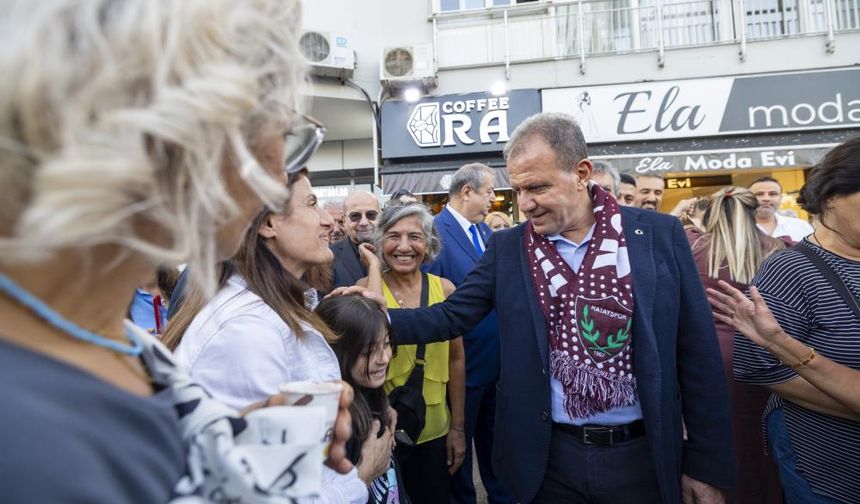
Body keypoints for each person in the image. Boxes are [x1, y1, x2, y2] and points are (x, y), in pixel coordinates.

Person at [0, 0, 354, 502]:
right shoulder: (30, 446)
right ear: (188, 131)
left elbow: (145, 447)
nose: (281, 173)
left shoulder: (98, 328)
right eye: (285, 129)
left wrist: (244, 439)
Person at [380, 113, 734, 504]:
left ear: (582, 173)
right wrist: (376, 319)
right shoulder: (509, 248)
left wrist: (705, 464)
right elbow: (449, 317)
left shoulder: (656, 235)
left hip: (643, 455)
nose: (525, 204)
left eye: (537, 187)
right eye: (517, 190)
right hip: (548, 461)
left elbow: (698, 354)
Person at [169, 170, 393, 502]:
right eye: (312, 204)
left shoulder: (276, 312)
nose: (327, 222)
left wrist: (335, 319)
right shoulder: (249, 334)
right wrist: (361, 476)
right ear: (268, 224)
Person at [723, 138, 860, 504]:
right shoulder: (789, 267)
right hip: (828, 460)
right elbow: (761, 366)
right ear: (832, 196)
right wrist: (850, 400)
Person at [358, 204, 467, 504]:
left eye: (415, 237)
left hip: (434, 430)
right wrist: (372, 269)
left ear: (429, 244)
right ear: (380, 242)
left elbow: (456, 359)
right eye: (393, 236)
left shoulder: (444, 290)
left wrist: (458, 428)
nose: (404, 246)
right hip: (380, 435)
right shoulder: (363, 288)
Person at [685, 187, 784, 504]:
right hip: (763, 354)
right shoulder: (776, 248)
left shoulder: (693, 244)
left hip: (707, 356)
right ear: (754, 211)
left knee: (715, 438)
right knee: (759, 441)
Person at [424, 163, 512, 504]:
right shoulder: (435, 233)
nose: (494, 199)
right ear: (466, 192)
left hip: (496, 367)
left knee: (496, 453)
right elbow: (432, 301)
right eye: (489, 191)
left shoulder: (487, 234)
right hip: (461, 370)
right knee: (458, 457)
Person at [317, 294, 408, 504]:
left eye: (386, 344)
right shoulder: (338, 426)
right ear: (338, 352)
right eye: (368, 352)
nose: (384, 358)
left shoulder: (371, 395)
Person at [332, 191, 381, 288]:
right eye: (355, 216)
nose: (364, 222)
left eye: (371, 215)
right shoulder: (329, 257)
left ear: (381, 217)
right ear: (345, 220)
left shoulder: (395, 253)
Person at [748, 176, 814, 243]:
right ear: (748, 198)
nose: (766, 198)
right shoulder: (738, 228)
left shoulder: (801, 226)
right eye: (759, 194)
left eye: (773, 194)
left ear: (780, 198)